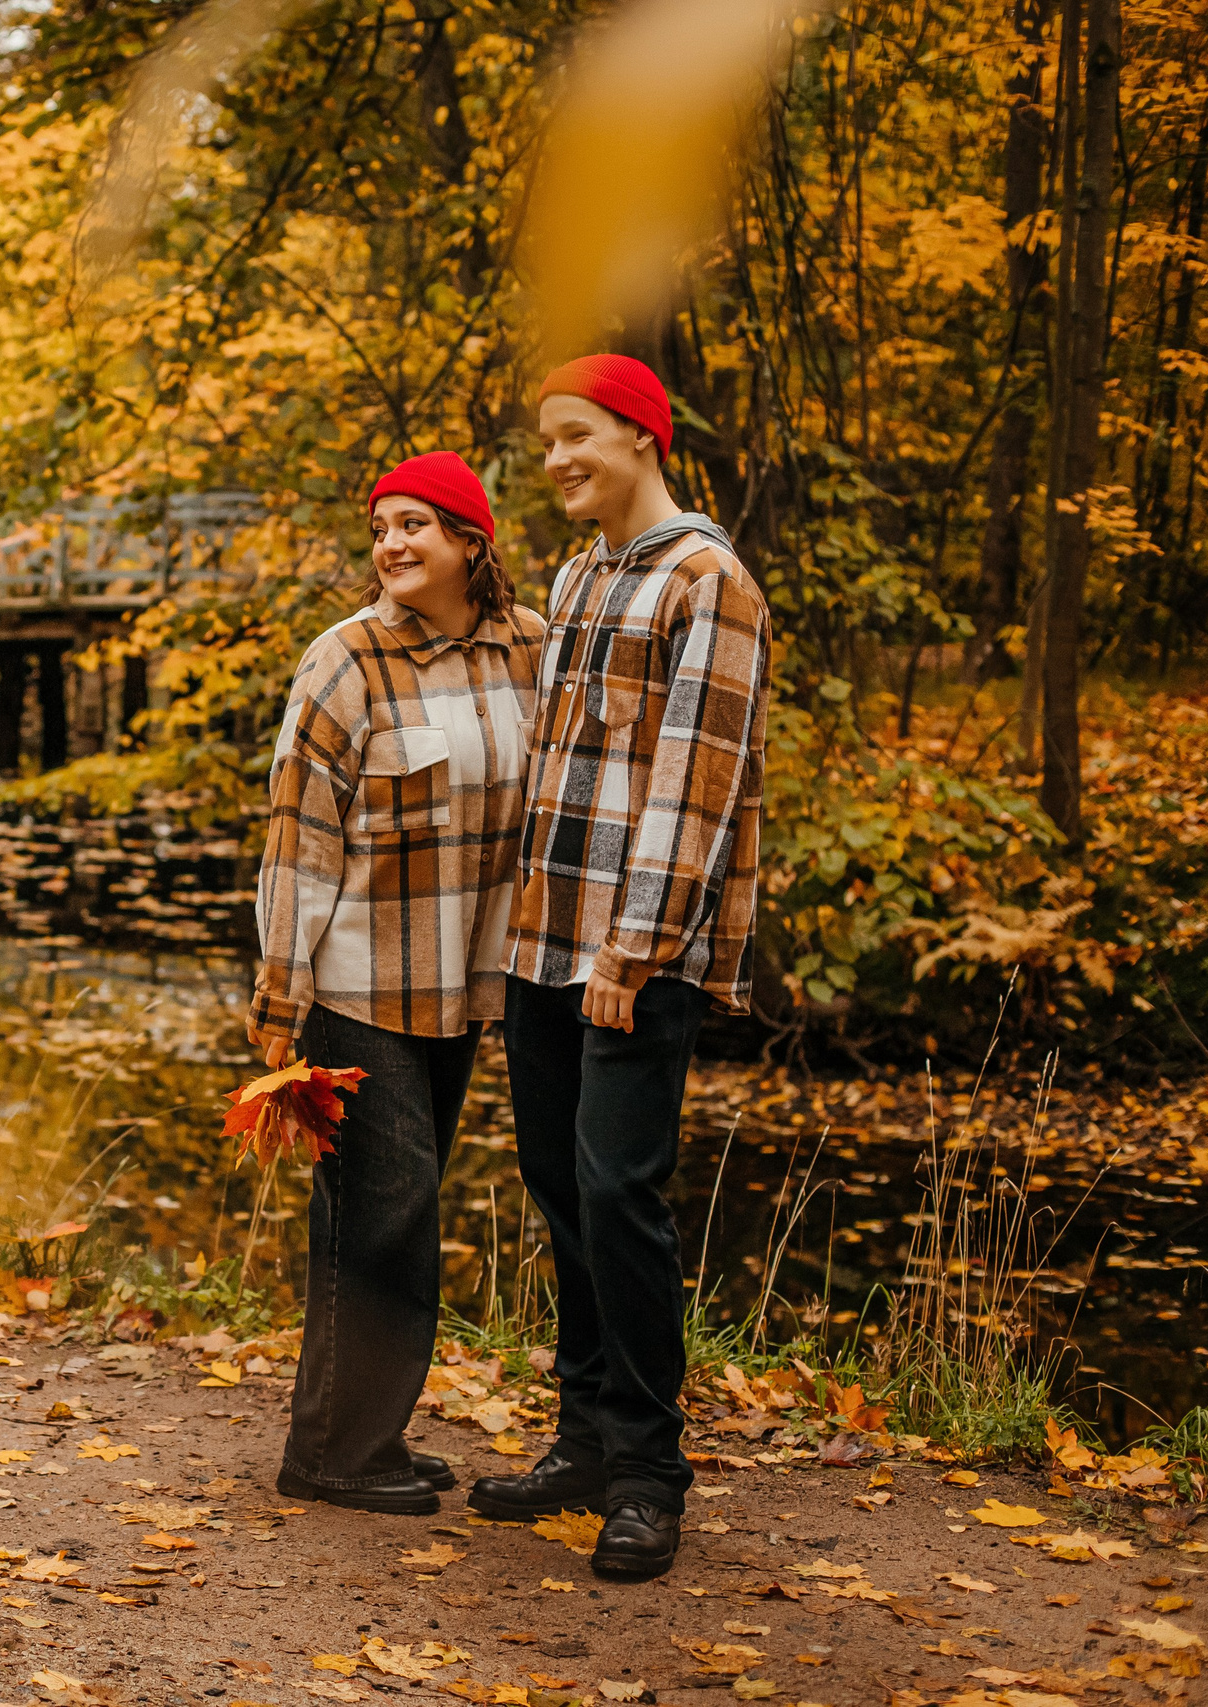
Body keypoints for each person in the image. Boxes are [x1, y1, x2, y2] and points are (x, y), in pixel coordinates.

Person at [467, 355, 772, 1580]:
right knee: (556, 1183)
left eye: (576, 436)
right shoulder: (581, 571)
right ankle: (582, 1439)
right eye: (545, 441)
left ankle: (649, 1475)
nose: (554, 461)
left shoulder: (710, 581)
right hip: (542, 937)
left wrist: (633, 950)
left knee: (617, 1195)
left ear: (641, 436)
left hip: (631, 950)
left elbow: (695, 785)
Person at [246, 452, 548, 1516]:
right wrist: (279, 998)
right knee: (385, 1210)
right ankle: (334, 1452)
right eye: (381, 528)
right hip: (356, 984)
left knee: (390, 1207)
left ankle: (356, 1432)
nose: (392, 545)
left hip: (464, 982)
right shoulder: (344, 663)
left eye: (416, 524)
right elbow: (298, 839)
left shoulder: (530, 647)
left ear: (474, 540)